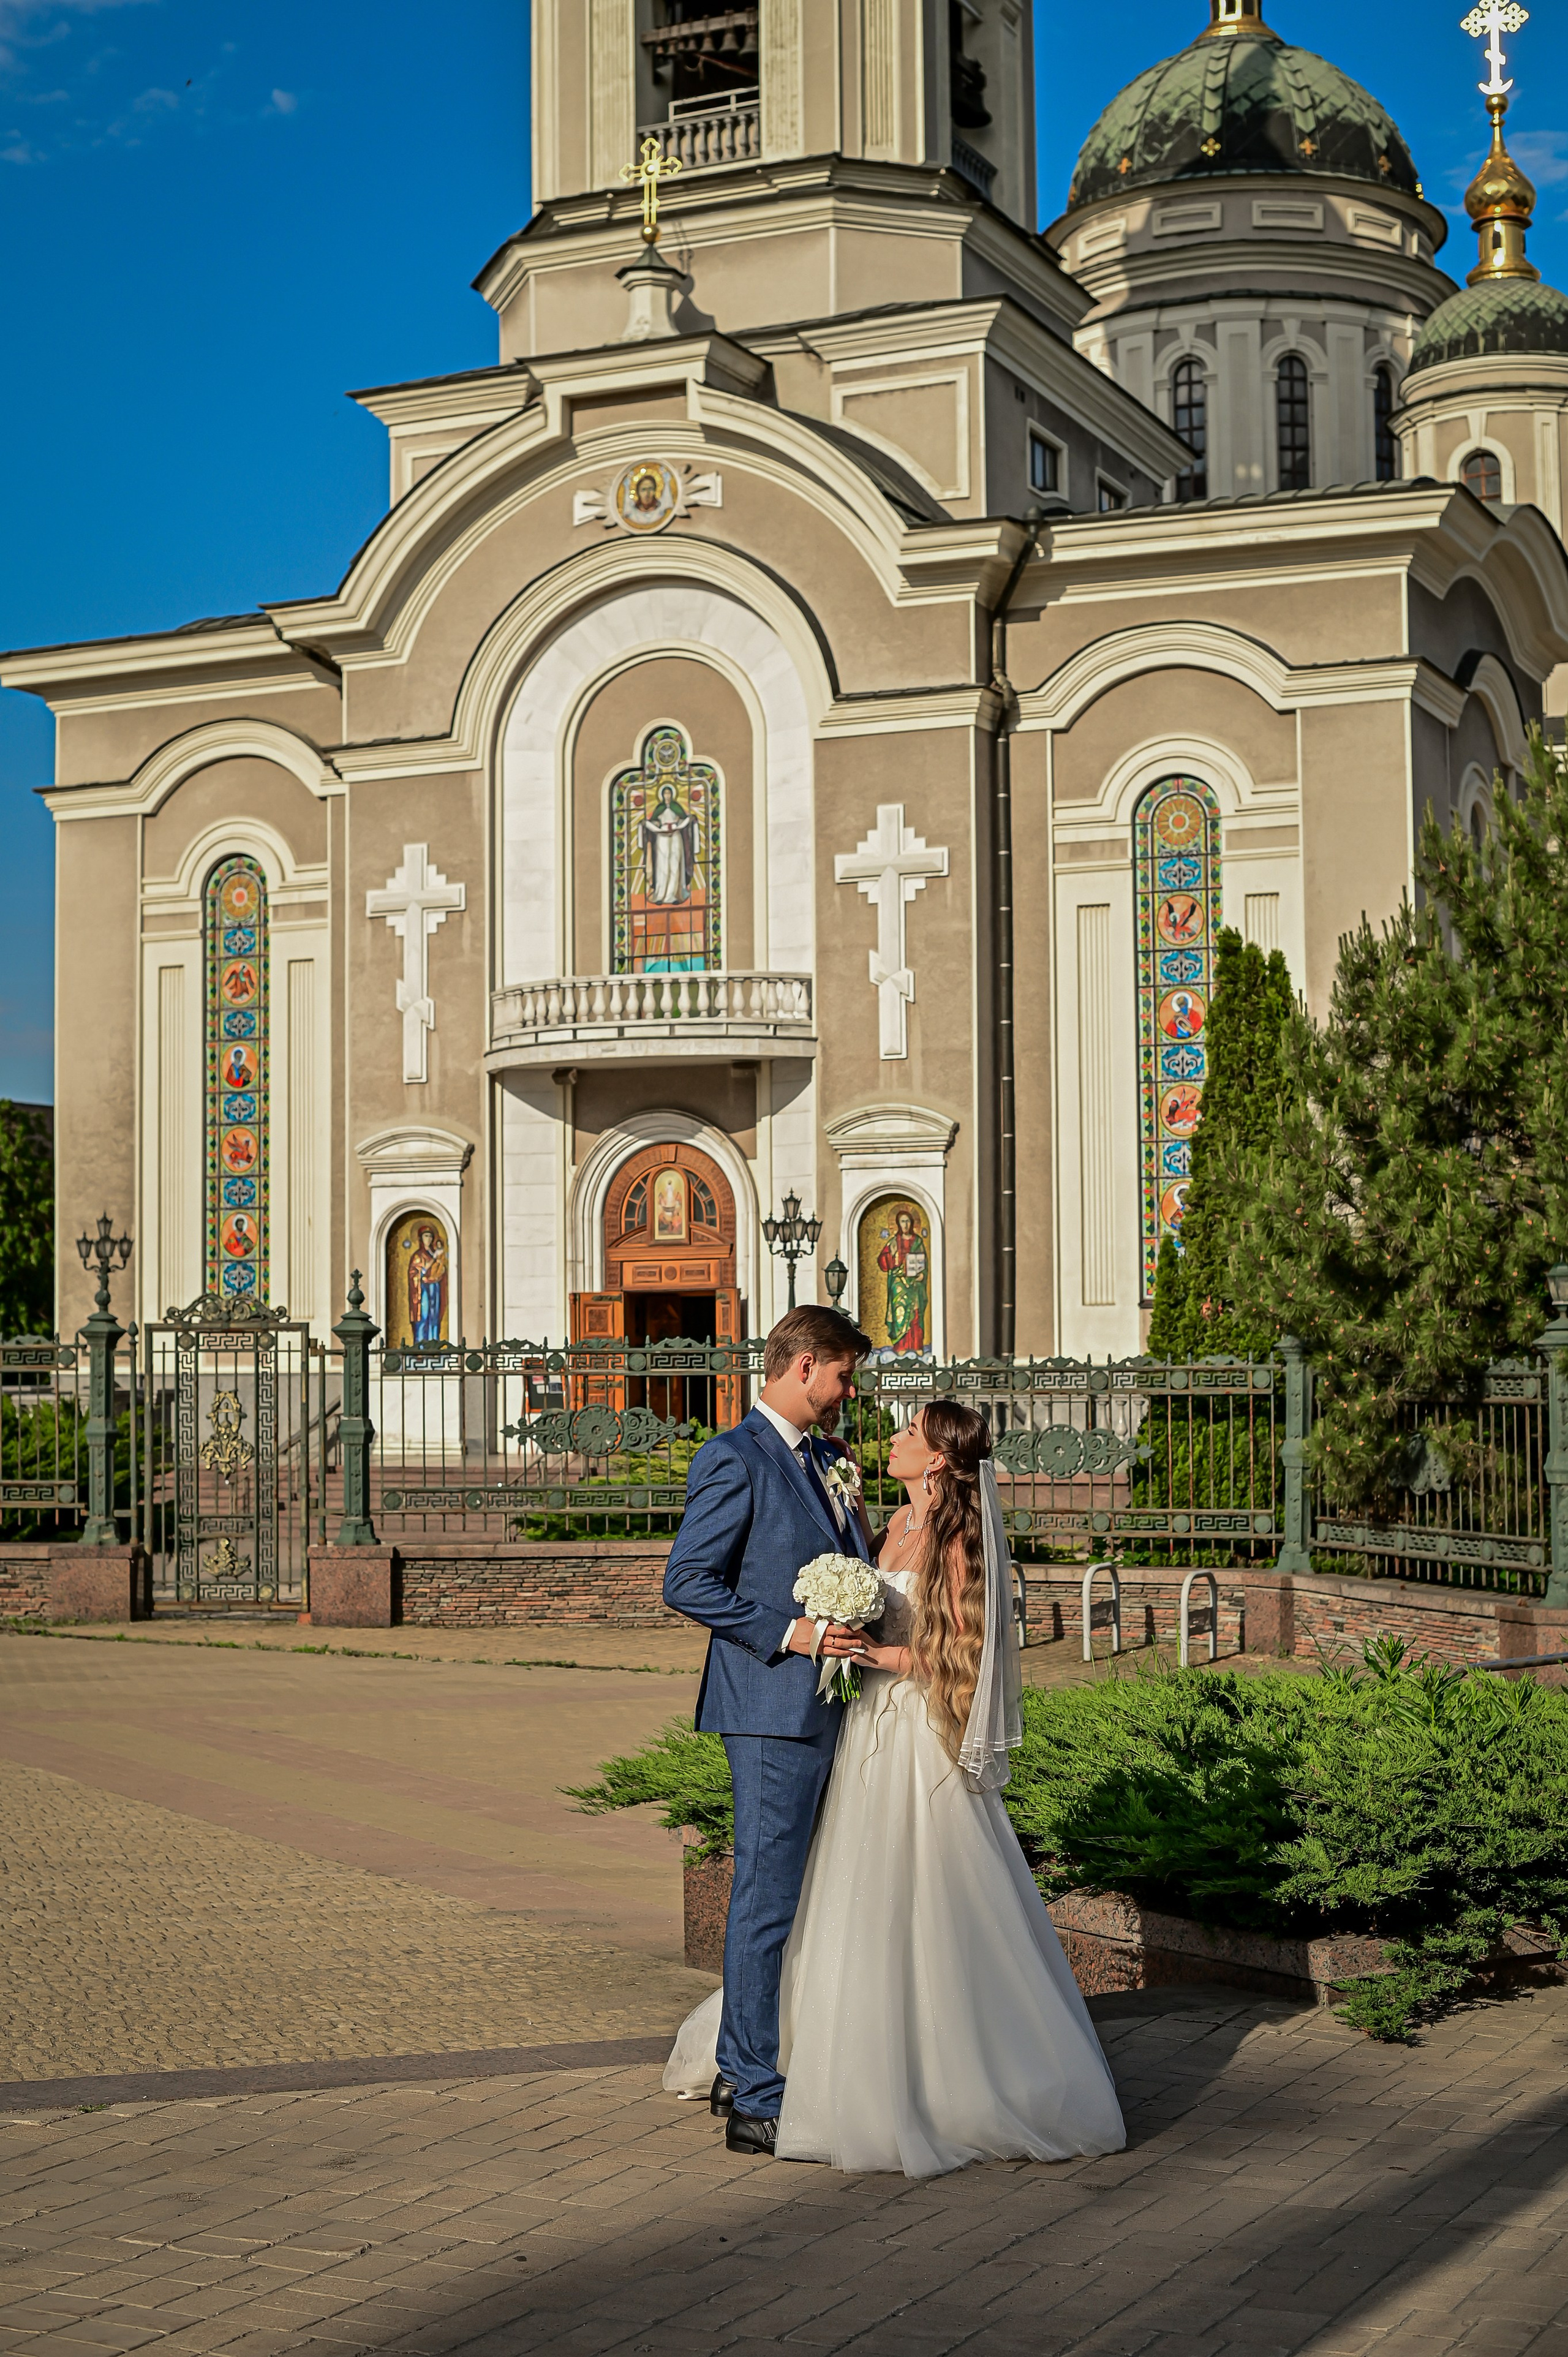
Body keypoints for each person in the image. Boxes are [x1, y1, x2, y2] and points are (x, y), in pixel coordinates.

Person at [666, 1398, 1126, 2179]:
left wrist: (871, 1657)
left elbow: (961, 1656)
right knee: (846, 1891)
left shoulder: (957, 1537)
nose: (892, 1435)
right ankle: (805, 2055)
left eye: (909, 1432)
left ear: (940, 1458)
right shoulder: (887, 1524)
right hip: (860, 1729)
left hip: (911, 1731)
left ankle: (932, 2072)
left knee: (918, 1892)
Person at [662, 1302, 875, 2156]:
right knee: (765, 1900)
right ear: (804, 1366)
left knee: (797, 1897)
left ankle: (738, 2061)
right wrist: (796, 1632)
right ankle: (755, 2095)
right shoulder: (733, 1457)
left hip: (825, 1701)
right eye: (844, 1376)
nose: (848, 1392)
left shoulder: (829, 1460)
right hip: (768, 1707)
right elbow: (688, 1583)